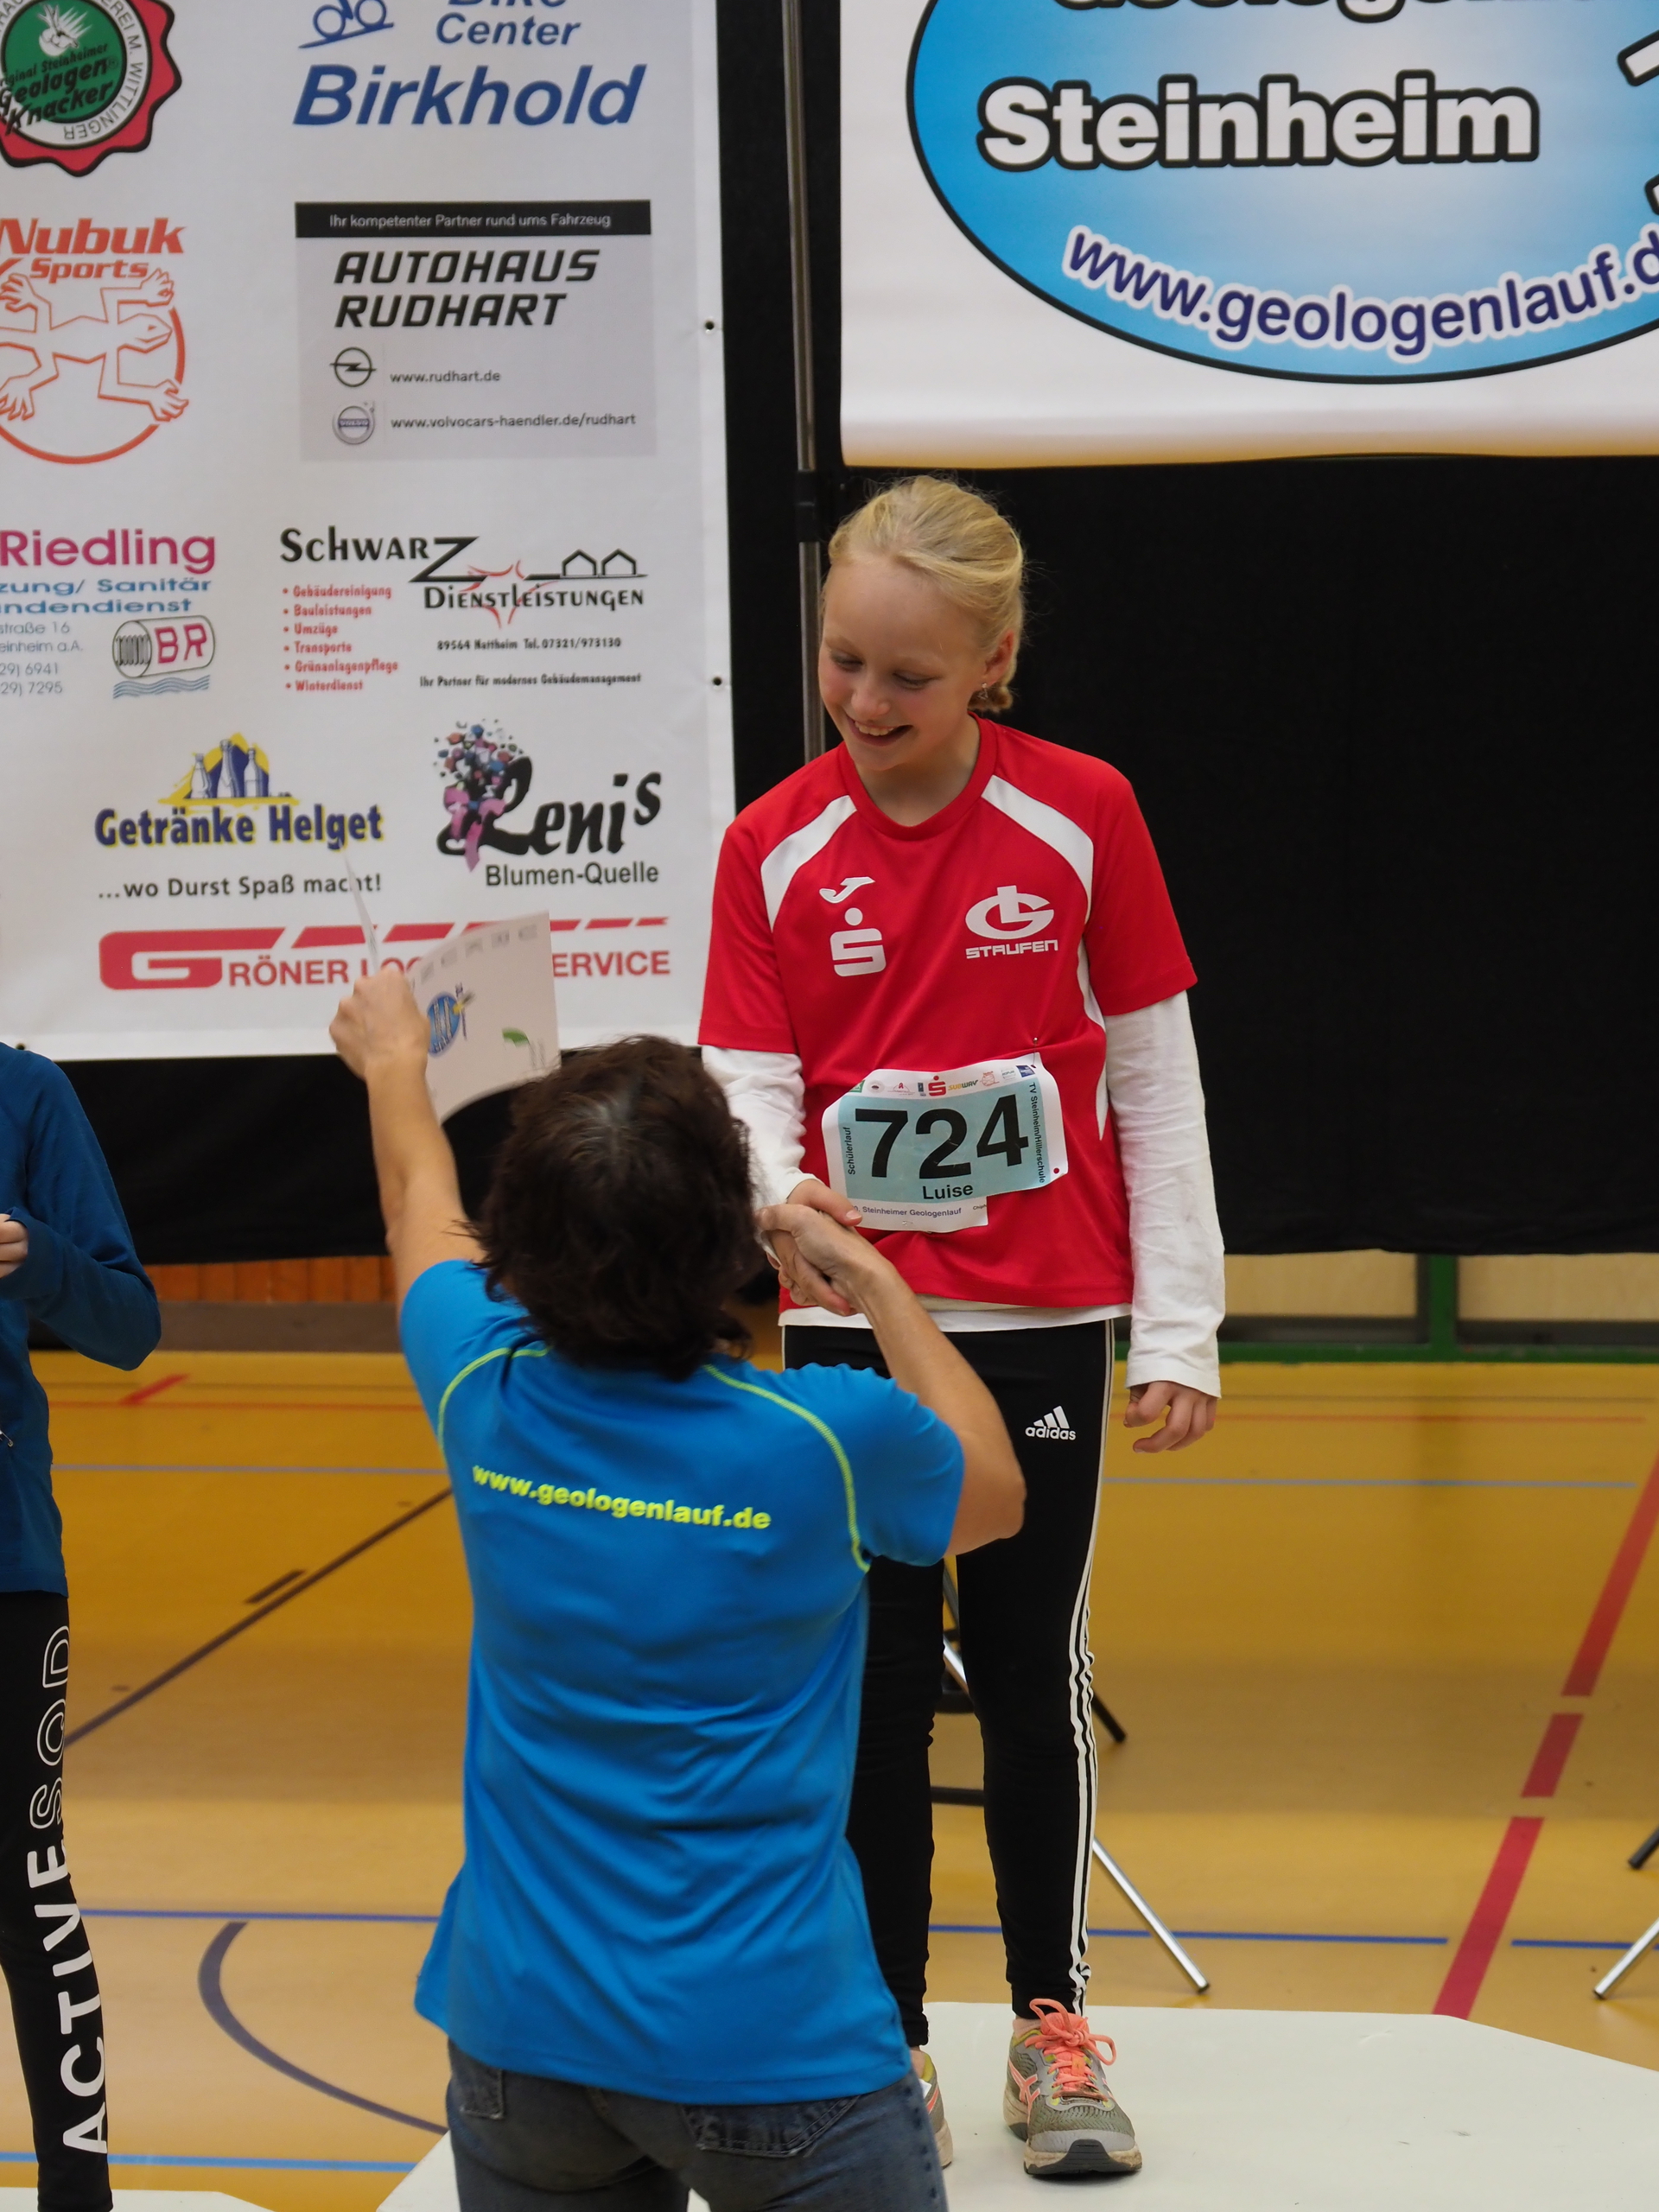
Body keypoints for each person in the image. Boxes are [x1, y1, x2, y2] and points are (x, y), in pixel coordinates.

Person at [699, 475, 1226, 2179]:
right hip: (848, 1330)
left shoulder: (1085, 814)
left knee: (1026, 1671)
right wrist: (783, 1196)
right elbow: (745, 1078)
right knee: (862, 1689)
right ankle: (885, 2039)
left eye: (909, 676)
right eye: (843, 661)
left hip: (1042, 1312)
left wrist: (1182, 1327)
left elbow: (1153, 1073)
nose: (865, 701)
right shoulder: (770, 845)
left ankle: (1053, 2023)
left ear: (995, 661)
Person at [328, 968, 1026, 2212]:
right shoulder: (827, 1441)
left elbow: (414, 1203)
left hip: (523, 2044)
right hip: (778, 2048)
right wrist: (872, 1280)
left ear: (518, 1243)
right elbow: (993, 1491)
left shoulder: (476, 1386)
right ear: (724, 1237)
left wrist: (393, 1065)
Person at [1, 1043, 161, 2212]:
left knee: (29, 1885)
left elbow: (128, 1322)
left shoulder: (26, 1093)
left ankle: (77, 2193)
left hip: (6, 1566)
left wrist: (37, 1257)